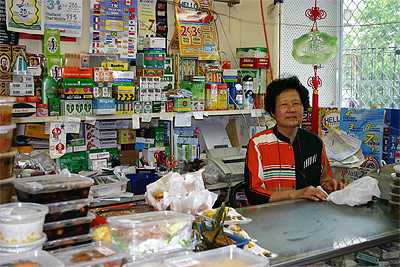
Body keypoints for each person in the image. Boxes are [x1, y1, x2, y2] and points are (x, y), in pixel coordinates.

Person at [244, 76, 344, 204]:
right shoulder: (258, 144)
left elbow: (324, 179)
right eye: (284, 104)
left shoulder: (315, 143)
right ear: (272, 112)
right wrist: (297, 194)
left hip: (309, 216)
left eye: (296, 103)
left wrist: (329, 185)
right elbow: (254, 193)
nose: (291, 109)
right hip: (271, 217)